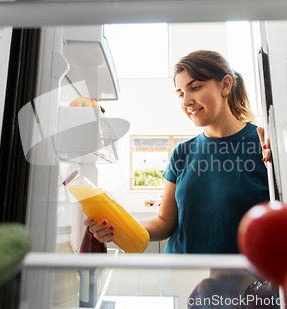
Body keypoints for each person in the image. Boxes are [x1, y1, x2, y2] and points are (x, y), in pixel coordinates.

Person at [85, 50, 271, 254]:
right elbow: (164, 222)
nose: (185, 102)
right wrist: (116, 227)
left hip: (240, 281)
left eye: (196, 88)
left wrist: (282, 156)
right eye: (181, 93)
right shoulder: (183, 152)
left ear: (225, 85)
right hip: (180, 278)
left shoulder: (264, 144)